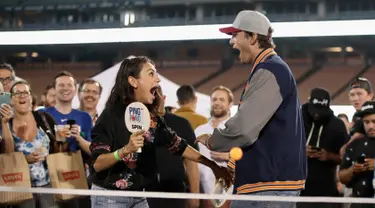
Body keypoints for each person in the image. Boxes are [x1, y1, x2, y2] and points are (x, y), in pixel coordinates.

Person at [89, 56, 232, 208]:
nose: (158, 79)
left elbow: (179, 145)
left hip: (139, 195)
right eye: (151, 74)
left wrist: (213, 166)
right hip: (110, 197)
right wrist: (124, 151)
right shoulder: (110, 116)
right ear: (133, 81)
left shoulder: (151, 117)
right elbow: (97, 164)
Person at [196, 10, 306, 208]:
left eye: (235, 35)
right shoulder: (268, 67)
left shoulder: (270, 69)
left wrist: (213, 140)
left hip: (268, 186)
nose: (231, 42)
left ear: (253, 37)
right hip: (268, 184)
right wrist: (233, 165)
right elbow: (261, 130)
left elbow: (245, 129)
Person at [2, 81, 61, 208]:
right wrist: (5, 124)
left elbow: (58, 149)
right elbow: (7, 156)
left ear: (31, 98)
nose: (22, 96)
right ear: (11, 100)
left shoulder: (44, 118)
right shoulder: (7, 123)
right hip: (21, 188)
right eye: (17, 93)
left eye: (25, 92)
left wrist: (65, 138)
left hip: (49, 186)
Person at [147, 86, 199, 208]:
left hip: (176, 193)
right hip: (146, 193)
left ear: (163, 99)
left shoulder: (182, 124)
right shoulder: (139, 125)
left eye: (156, 96)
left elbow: (191, 162)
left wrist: (195, 196)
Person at [297, 88, 348, 208]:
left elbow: (345, 158)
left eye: (321, 112)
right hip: (297, 189)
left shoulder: (337, 125)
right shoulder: (296, 120)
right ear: (309, 102)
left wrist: (328, 156)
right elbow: (280, 151)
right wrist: (300, 151)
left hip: (326, 190)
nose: (317, 115)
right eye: (314, 111)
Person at [195, 85, 234, 208]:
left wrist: (229, 156)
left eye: (222, 100)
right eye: (214, 99)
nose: (217, 103)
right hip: (203, 195)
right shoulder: (199, 130)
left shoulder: (236, 130)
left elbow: (250, 157)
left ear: (230, 104)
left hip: (230, 196)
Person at [339, 101, 375, 208]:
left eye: (374, 121)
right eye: (366, 122)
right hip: (358, 202)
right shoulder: (354, 144)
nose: (370, 126)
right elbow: (341, 177)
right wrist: (353, 170)